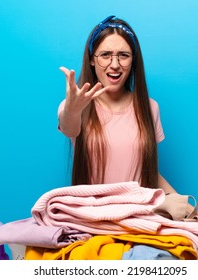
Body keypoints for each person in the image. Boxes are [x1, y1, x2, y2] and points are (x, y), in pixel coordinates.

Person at [57, 15, 182, 195]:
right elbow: (70, 129)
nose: (115, 65)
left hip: (138, 217)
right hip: (92, 218)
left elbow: (149, 174)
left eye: (123, 55)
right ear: (92, 59)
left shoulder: (150, 107)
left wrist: (189, 211)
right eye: (105, 55)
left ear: (133, 61)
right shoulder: (75, 105)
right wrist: (72, 110)